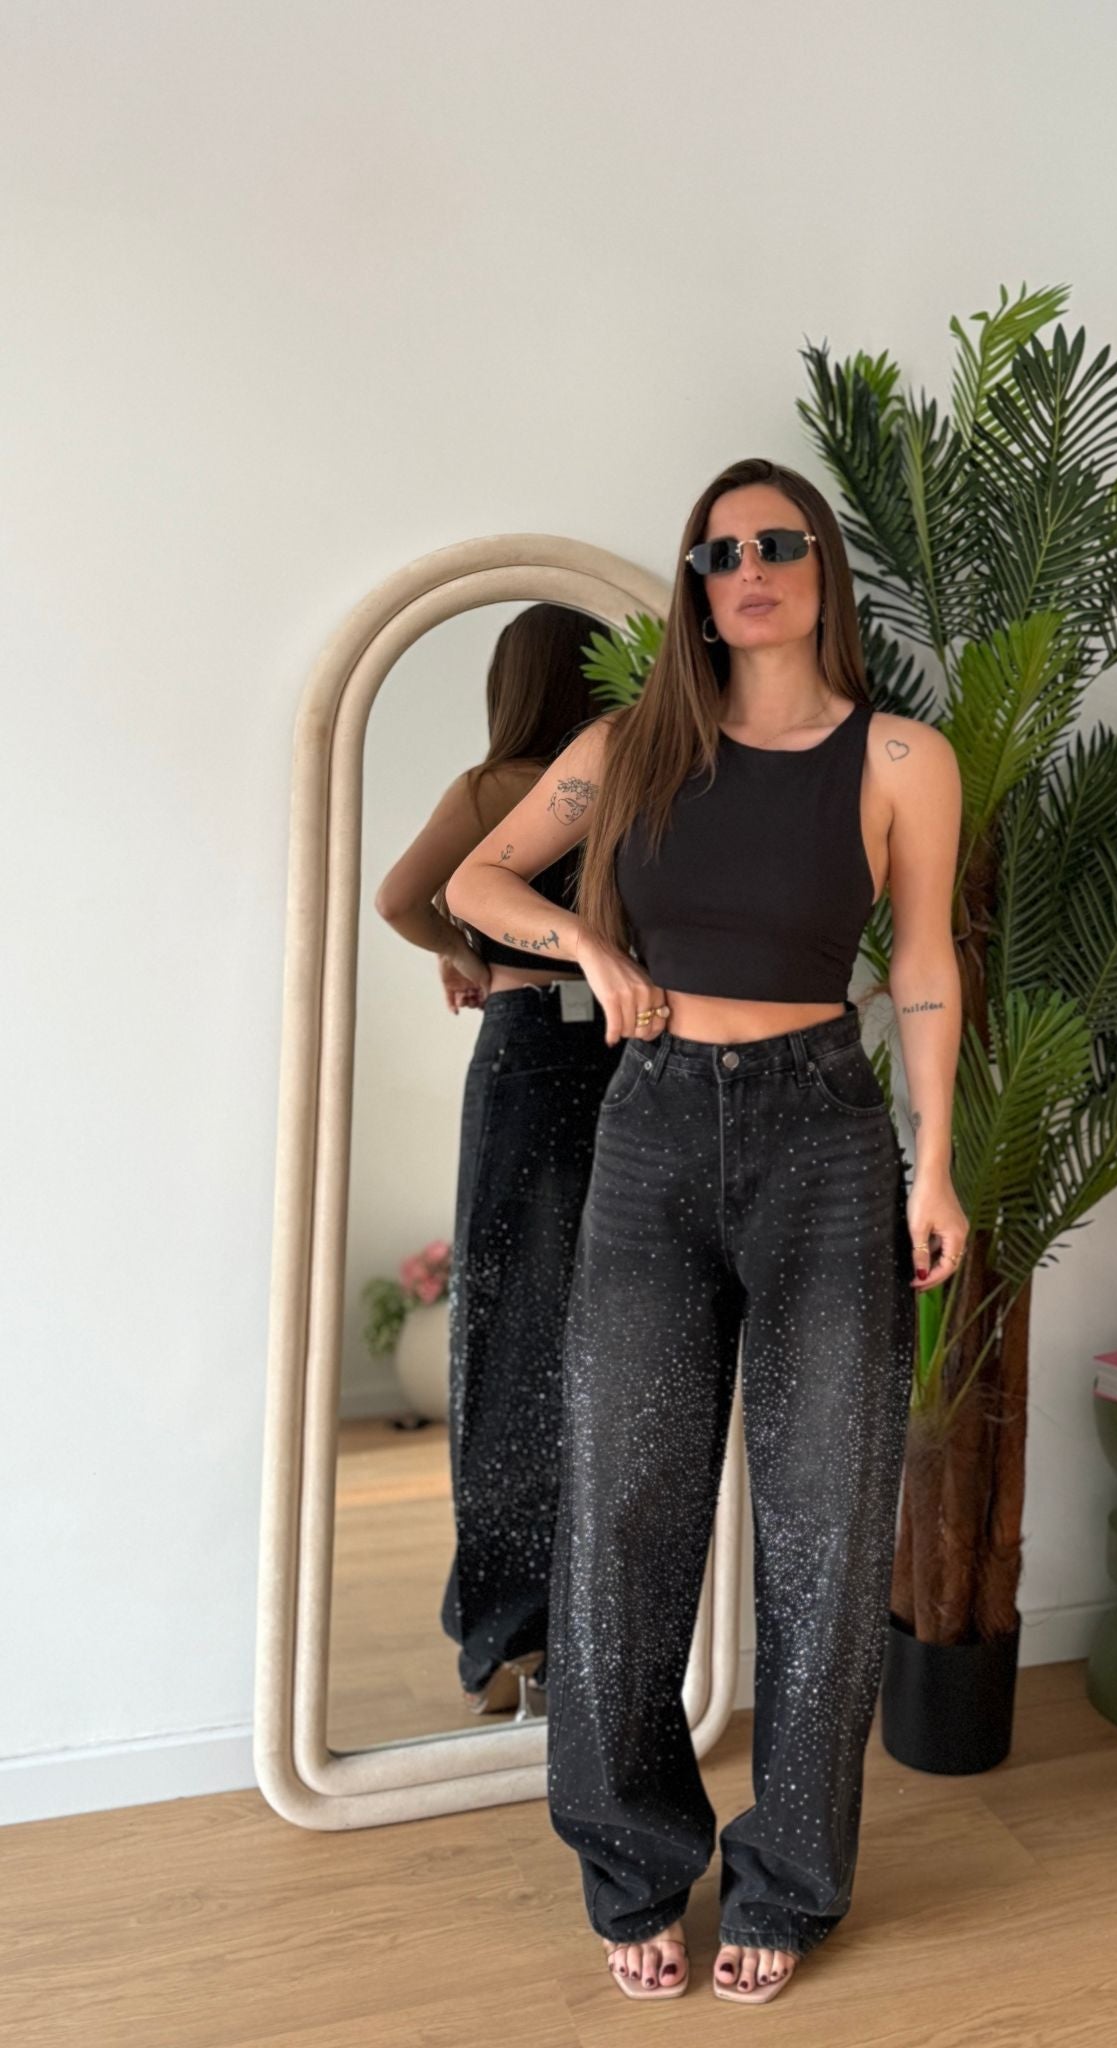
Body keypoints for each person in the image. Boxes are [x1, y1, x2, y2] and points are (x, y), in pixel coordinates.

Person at [445, 457, 968, 2005]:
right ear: (696, 585)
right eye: (719, 552)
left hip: (826, 1138)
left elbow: (924, 967)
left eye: (776, 543)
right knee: (622, 1511)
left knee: (824, 1525)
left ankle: (788, 1881)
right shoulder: (630, 748)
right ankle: (632, 1862)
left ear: (820, 569)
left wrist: (935, 1168)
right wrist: (586, 945)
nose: (749, 569)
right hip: (655, 1136)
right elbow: (477, 875)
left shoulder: (901, 759)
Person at [374, 603, 620, 1717]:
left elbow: (399, 899)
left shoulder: (491, 792)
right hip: (627, 1051)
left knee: (509, 1342)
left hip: (528, 1051)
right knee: (608, 1350)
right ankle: (569, 1633)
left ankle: (508, 1636)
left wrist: (465, 949)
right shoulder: (629, 784)